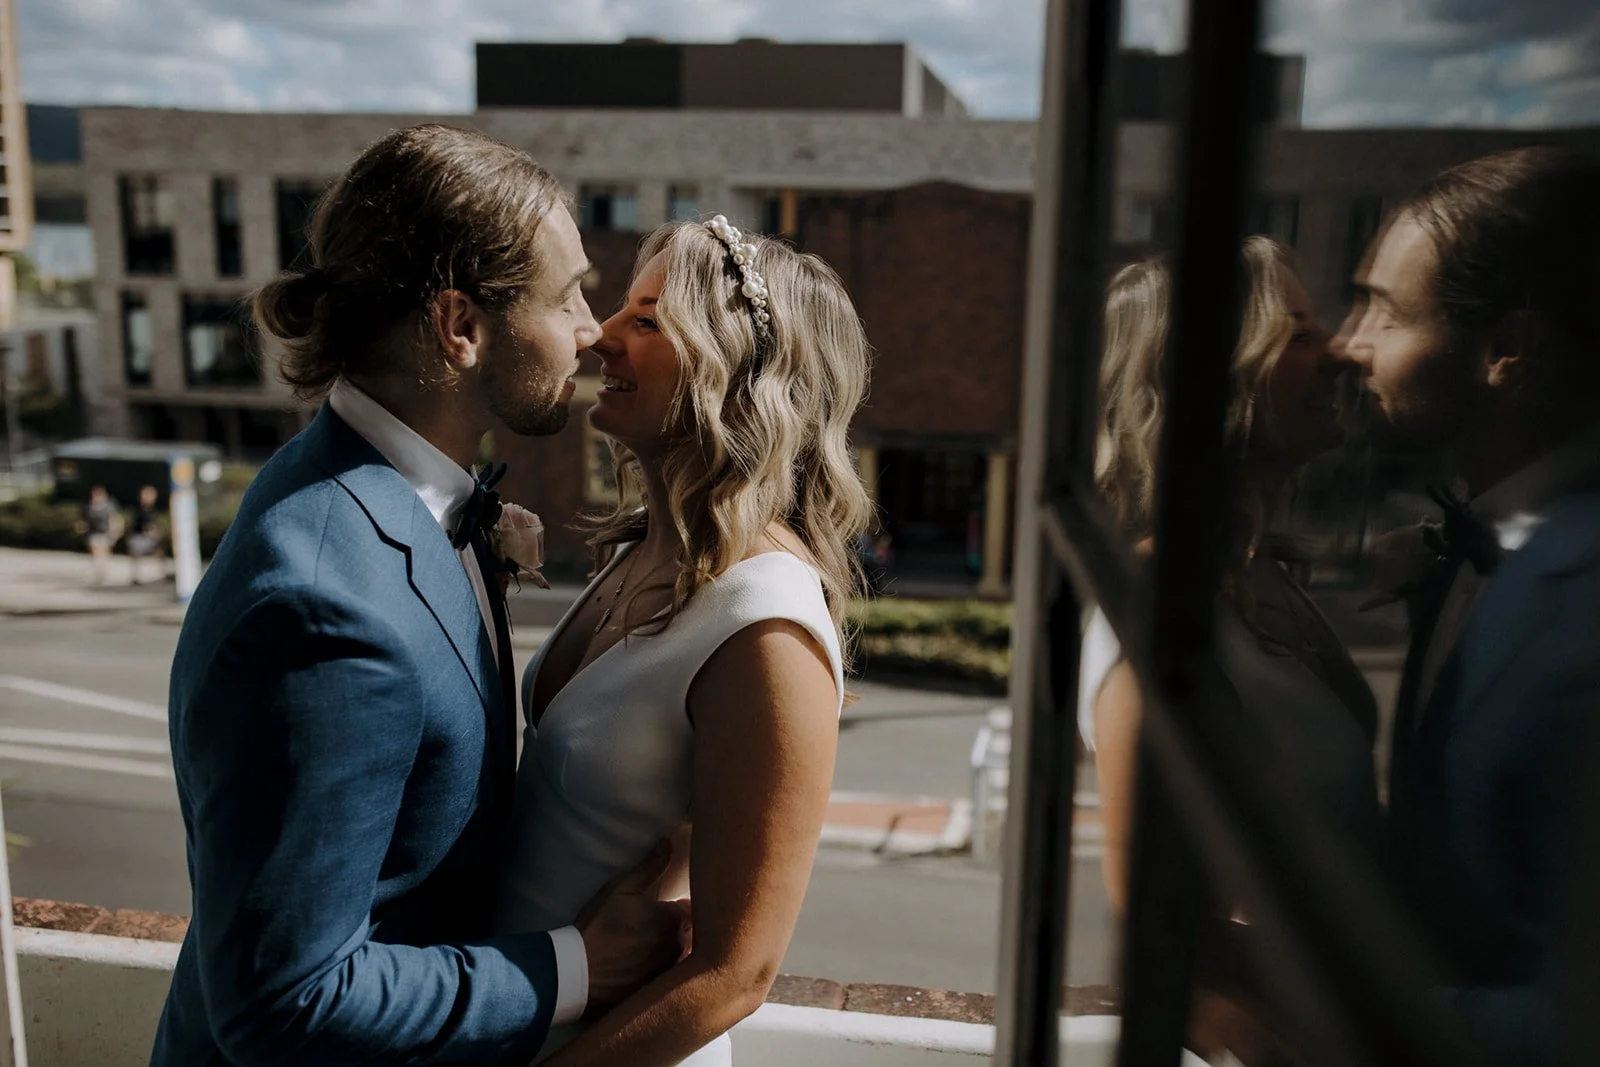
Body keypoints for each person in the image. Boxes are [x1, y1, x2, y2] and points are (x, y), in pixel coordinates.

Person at [152, 125, 684, 1067]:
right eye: (564, 293)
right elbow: (286, 1002)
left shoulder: (392, 489)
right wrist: (573, 968)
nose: (590, 327)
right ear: (461, 328)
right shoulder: (319, 607)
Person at [493, 215, 873, 1065]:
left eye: (648, 319)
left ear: (735, 371)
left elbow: (737, 970)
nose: (600, 337)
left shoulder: (764, 620)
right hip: (518, 1007)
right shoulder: (645, 548)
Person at [1082, 238, 1382, 1064]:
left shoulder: (1257, 573)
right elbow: (1175, 950)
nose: (1340, 354)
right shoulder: (1155, 615)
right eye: (1297, 334)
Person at [1340, 146, 1600, 1064]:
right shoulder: (1470, 548)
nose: (1348, 341)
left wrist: (1328, 1015)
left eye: (1386, 309)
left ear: (1507, 352)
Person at [79, 484, 122, 584]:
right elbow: (85, 520)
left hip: (105, 532)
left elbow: (114, 518)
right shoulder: (89, 506)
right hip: (94, 532)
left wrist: (115, 530)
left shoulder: (109, 506)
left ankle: (103, 570)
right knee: (96, 552)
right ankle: (98, 570)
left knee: (104, 552)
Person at [126, 484, 165, 584]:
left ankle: (161, 573)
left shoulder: (153, 510)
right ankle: (136, 576)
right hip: (139, 537)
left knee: (159, 552)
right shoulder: (139, 511)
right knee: (137, 554)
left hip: (148, 537)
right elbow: (142, 526)